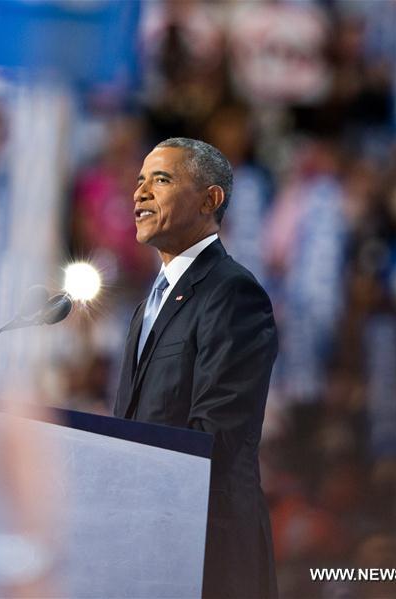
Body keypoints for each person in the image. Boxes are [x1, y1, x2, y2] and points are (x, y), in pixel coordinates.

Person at [113, 138, 278, 598]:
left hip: (207, 546)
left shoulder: (232, 292)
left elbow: (216, 433)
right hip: (146, 536)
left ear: (210, 200)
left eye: (161, 180)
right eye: (139, 181)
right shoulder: (148, 304)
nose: (140, 193)